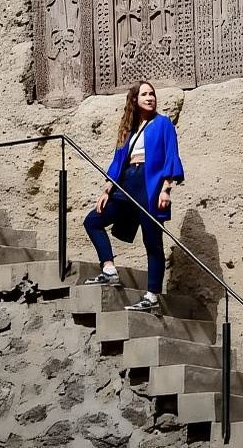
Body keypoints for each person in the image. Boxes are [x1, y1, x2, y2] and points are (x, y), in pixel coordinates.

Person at [82, 80, 184, 312]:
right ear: (135, 100)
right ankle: (109, 269)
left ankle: (152, 296)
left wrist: (166, 189)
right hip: (126, 184)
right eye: (145, 94)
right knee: (93, 220)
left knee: (152, 242)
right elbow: (119, 161)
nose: (150, 98)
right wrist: (107, 189)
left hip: (150, 185)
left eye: (152, 94)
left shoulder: (163, 123)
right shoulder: (128, 129)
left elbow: (171, 155)